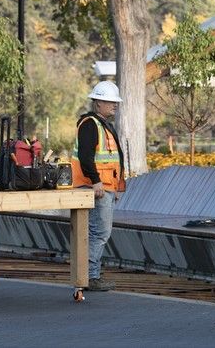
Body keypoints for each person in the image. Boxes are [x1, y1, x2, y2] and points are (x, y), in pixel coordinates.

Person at [72, 80, 126, 292]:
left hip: (104, 188)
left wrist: (116, 187)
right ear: (98, 103)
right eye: (111, 102)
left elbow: (113, 159)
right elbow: (86, 158)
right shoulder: (90, 125)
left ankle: (89, 275)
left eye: (115, 102)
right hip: (96, 188)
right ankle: (90, 277)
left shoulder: (102, 125)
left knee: (98, 233)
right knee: (99, 233)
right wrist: (96, 182)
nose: (115, 105)